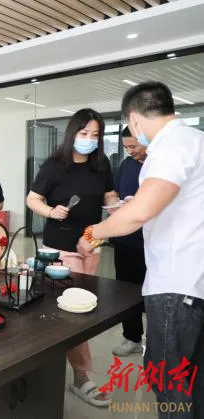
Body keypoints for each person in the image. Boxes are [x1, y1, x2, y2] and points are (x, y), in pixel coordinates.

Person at [77, 82, 204, 419]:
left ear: (133, 119)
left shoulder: (170, 145)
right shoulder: (195, 140)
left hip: (176, 284)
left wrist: (93, 233)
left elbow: (142, 211)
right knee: (192, 383)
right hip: (195, 283)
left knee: (169, 380)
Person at [26, 108, 119, 408]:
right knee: (70, 314)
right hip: (61, 249)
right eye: (84, 133)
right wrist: (51, 211)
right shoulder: (55, 165)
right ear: (72, 133)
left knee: (85, 311)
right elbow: (33, 199)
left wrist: (117, 207)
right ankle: (81, 377)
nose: (90, 139)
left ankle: (70, 371)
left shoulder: (101, 164)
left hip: (91, 245)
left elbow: (109, 195)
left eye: (95, 134)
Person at [110, 126, 147, 357]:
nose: (130, 151)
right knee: (126, 292)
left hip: (153, 242)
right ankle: (132, 337)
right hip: (126, 239)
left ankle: (158, 341)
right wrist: (116, 204)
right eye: (126, 147)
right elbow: (114, 192)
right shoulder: (126, 165)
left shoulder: (160, 164)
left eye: (133, 146)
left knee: (153, 294)